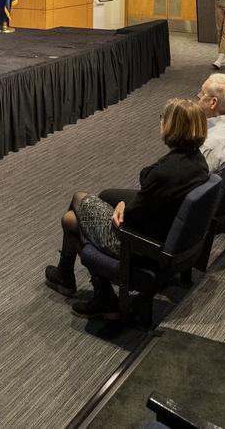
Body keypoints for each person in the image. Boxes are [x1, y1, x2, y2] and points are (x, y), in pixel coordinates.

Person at [42, 98, 210, 319]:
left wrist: (124, 209)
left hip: (137, 243)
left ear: (174, 126)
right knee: (78, 215)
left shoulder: (164, 173)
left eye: (163, 118)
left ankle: (90, 288)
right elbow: (148, 201)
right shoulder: (198, 161)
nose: (160, 121)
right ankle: (74, 279)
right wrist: (122, 203)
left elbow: (130, 219)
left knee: (76, 204)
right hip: (167, 232)